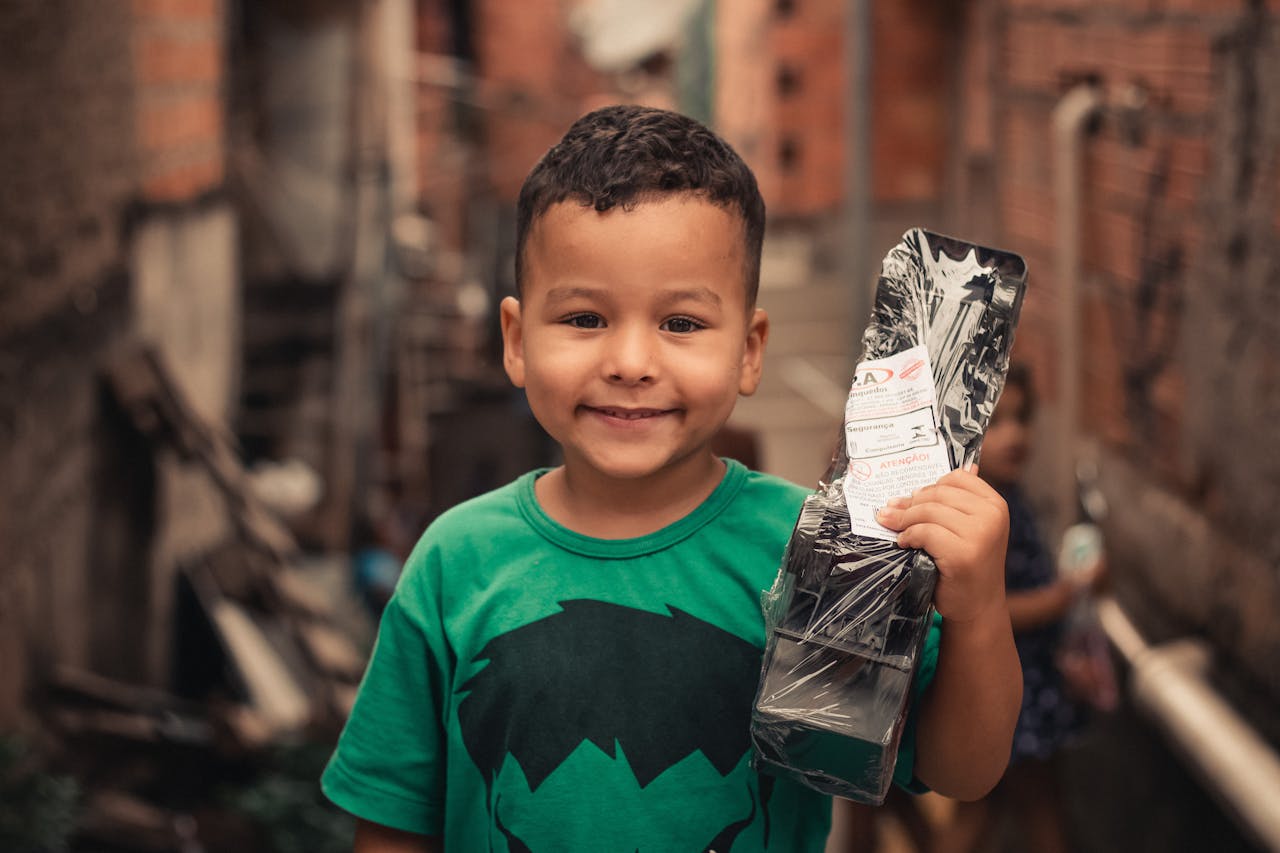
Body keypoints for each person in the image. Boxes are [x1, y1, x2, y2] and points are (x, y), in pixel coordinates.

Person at [321, 104, 1022, 853]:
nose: (630, 361)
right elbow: (392, 820)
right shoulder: (453, 561)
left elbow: (960, 770)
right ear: (517, 341)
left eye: (681, 323)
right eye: (585, 318)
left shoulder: (823, 552)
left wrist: (978, 605)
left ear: (750, 350)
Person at [934, 364, 1103, 853]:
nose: (1016, 436)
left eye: (1023, 419)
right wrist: (1063, 596)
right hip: (1012, 691)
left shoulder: (1008, 499)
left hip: (1024, 684)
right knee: (1037, 808)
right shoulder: (979, 513)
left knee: (992, 811)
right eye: (997, 422)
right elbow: (986, 609)